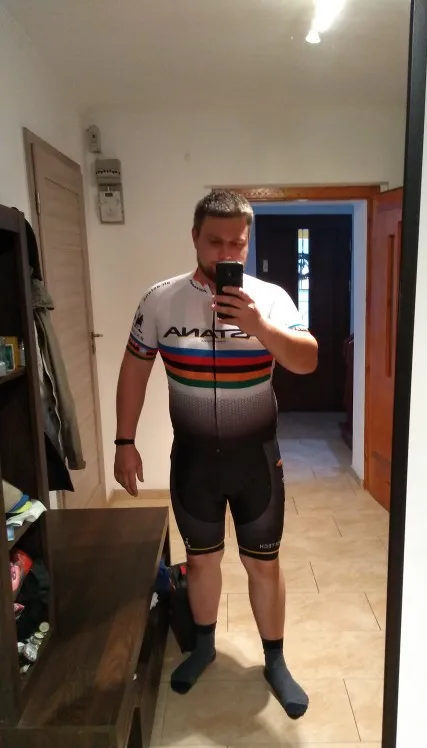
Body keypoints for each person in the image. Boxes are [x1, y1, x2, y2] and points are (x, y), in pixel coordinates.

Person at [114, 190, 318, 719]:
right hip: (194, 460)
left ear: (247, 242)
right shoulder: (160, 300)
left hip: (256, 460)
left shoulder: (270, 298)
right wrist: (124, 441)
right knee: (201, 561)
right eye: (214, 241)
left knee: (263, 564)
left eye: (237, 243)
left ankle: (275, 661)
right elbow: (134, 369)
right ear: (194, 237)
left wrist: (260, 328)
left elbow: (307, 360)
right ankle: (203, 648)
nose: (226, 253)